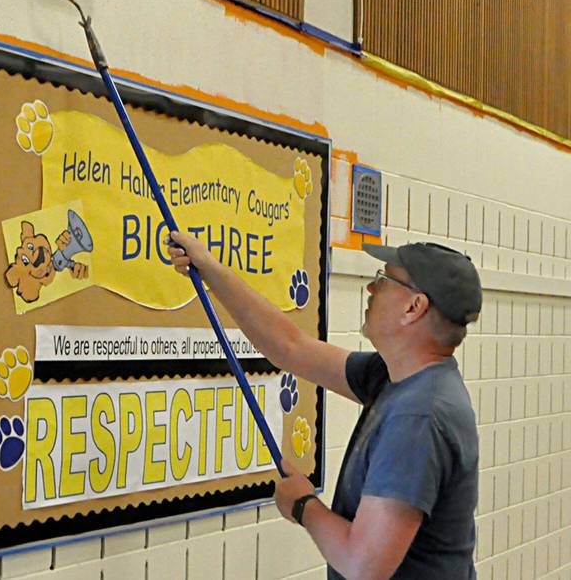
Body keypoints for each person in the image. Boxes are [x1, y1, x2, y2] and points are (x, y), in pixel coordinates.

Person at [167, 233, 482, 579]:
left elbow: (363, 566)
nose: (371, 290)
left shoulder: (420, 416)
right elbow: (290, 347)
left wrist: (303, 505)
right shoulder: (396, 378)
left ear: (414, 307)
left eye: (384, 280)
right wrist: (211, 270)